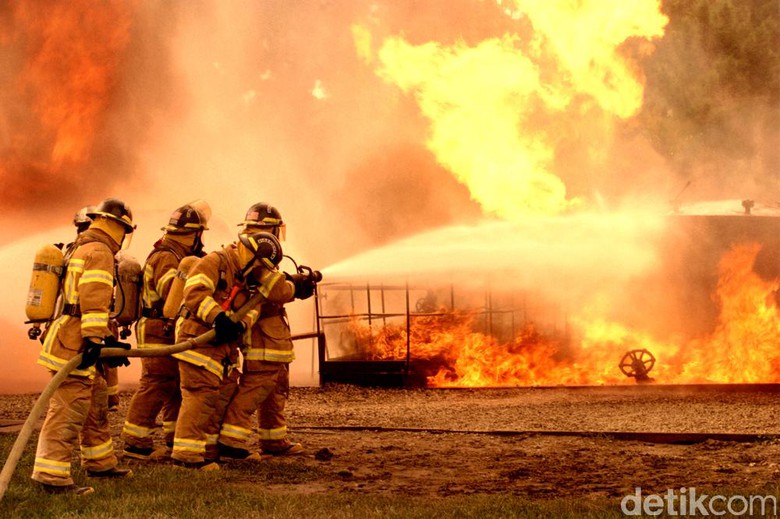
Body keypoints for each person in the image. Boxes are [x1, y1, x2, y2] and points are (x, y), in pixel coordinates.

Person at [31, 198, 136, 495]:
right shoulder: (100, 252)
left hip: (71, 335)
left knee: (95, 400)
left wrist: (106, 340)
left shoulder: (82, 246)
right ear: (115, 225)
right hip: (74, 341)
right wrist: (93, 339)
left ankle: (99, 462)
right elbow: (93, 298)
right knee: (68, 409)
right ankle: (51, 476)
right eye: (124, 229)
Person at [170, 229, 286, 469]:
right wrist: (218, 317)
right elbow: (194, 293)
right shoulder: (215, 261)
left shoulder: (245, 277)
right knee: (200, 396)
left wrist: (241, 325)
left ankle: (209, 451)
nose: (260, 272)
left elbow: (253, 307)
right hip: (197, 339)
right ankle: (186, 456)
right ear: (251, 255)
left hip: (222, 348)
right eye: (260, 266)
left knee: (222, 395)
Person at [217, 203, 315, 459]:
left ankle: (274, 440)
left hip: (270, 333)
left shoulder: (251, 248)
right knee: (257, 384)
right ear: (271, 228)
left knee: (275, 387)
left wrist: (290, 281)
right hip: (263, 335)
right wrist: (296, 286)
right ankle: (230, 440)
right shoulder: (256, 250)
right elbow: (276, 290)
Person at [122, 202, 210, 460]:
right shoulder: (166, 256)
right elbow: (171, 292)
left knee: (174, 383)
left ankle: (174, 437)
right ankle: (136, 441)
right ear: (195, 234)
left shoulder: (174, 253)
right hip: (156, 328)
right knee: (156, 382)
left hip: (165, 328)